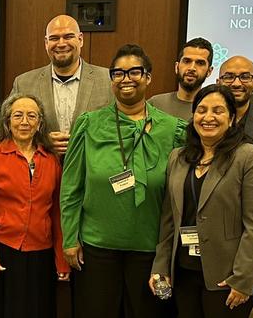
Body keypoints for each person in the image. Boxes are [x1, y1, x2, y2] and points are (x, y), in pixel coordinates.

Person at [59, 44, 185, 317]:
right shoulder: (90, 124)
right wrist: (69, 238)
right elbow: (71, 187)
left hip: (150, 248)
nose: (126, 79)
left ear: (148, 77)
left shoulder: (173, 129)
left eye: (134, 72)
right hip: (97, 247)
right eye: (118, 73)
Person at [150, 84, 253, 318]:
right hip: (184, 272)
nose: (208, 117)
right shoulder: (179, 157)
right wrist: (161, 266)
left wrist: (243, 278)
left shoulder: (250, 157)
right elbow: (169, 218)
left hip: (228, 277)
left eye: (218, 111)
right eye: (201, 110)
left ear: (232, 118)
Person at [0, 94, 70, 318]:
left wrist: (61, 260)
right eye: (18, 116)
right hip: (2, 253)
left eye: (31, 116)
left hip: (41, 256)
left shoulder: (51, 160)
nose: (24, 122)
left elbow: (57, 213)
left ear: (40, 124)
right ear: (7, 122)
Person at [10, 14, 112, 156]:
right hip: (41, 167)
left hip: (92, 167)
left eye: (68, 36)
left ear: (80, 39)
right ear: (46, 43)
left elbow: (121, 128)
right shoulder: (24, 83)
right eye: (54, 38)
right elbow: (8, 132)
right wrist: (42, 141)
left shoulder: (108, 80)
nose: (61, 43)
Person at [148, 37, 214, 121]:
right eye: (187, 61)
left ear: (209, 71)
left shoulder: (213, 109)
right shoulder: (155, 104)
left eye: (200, 63)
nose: (192, 68)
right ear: (177, 67)